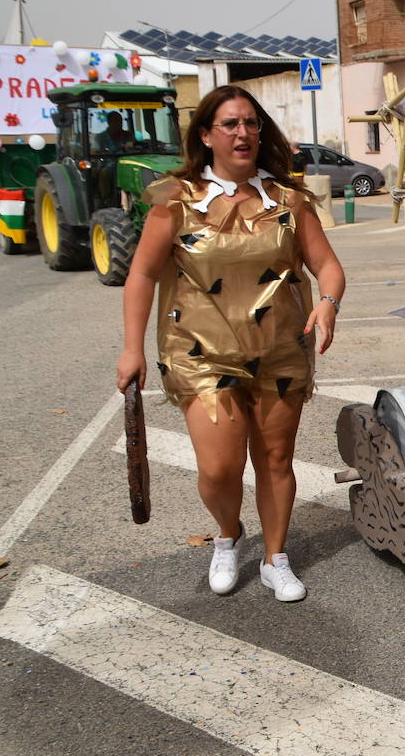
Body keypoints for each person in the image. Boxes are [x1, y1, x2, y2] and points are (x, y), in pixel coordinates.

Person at [115, 85, 346, 603]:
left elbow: (327, 266)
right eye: (230, 124)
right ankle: (228, 534)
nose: (243, 133)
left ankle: (275, 557)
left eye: (251, 123)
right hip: (200, 352)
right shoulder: (175, 200)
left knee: (276, 460)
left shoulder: (288, 200)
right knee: (218, 469)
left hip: (280, 348)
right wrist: (131, 348)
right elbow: (142, 275)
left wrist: (329, 301)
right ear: (206, 135)